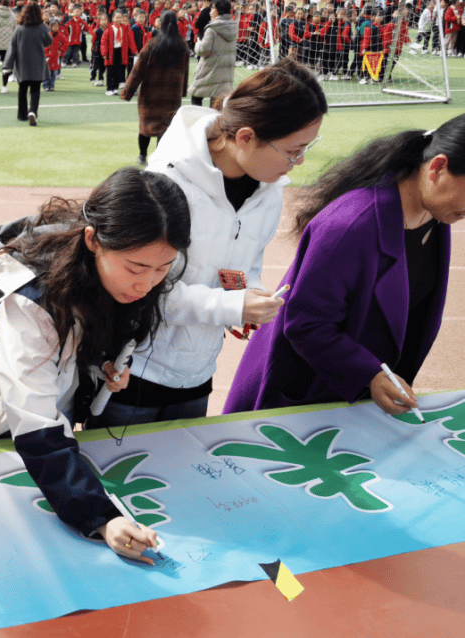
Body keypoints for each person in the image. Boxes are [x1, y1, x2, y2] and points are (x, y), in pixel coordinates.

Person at [0, 168, 191, 563]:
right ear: (93, 240)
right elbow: (35, 421)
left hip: (42, 429)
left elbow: (87, 339)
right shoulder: (28, 297)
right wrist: (102, 517)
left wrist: (101, 367)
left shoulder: (124, 270)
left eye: (163, 268)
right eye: (135, 268)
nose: (147, 283)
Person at [97, 57, 327, 429]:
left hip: (198, 372)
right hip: (136, 370)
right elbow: (144, 289)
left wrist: (250, 294)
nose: (298, 163)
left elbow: (245, 264)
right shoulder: (167, 184)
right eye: (292, 150)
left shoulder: (268, 188)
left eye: (306, 149)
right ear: (246, 137)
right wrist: (230, 305)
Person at [225, 115, 465, 416]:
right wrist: (370, 374)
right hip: (305, 393)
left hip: (356, 396)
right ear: (437, 167)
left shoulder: (438, 211)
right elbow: (305, 323)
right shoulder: (350, 225)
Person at [122, 10, 189, 167]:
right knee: (165, 128)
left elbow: (137, 70)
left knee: (145, 127)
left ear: (161, 24)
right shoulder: (183, 46)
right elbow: (185, 72)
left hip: (150, 94)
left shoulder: (152, 44)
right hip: (172, 95)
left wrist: (127, 92)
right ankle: (159, 158)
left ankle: (142, 156)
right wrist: (182, 92)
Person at [3, 1, 51, 126]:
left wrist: (7, 66)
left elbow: (12, 47)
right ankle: (33, 111)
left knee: (22, 89)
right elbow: (48, 41)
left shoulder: (19, 29)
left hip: (22, 64)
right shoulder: (42, 27)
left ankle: (22, 114)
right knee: (35, 90)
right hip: (37, 63)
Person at [190, 0, 237, 106]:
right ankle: (214, 122)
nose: (210, 12)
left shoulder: (212, 29)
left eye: (212, 9)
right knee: (216, 101)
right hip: (225, 72)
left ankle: (199, 120)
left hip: (210, 70)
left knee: (196, 97)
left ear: (218, 11)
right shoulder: (233, 27)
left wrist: (198, 42)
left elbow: (203, 50)